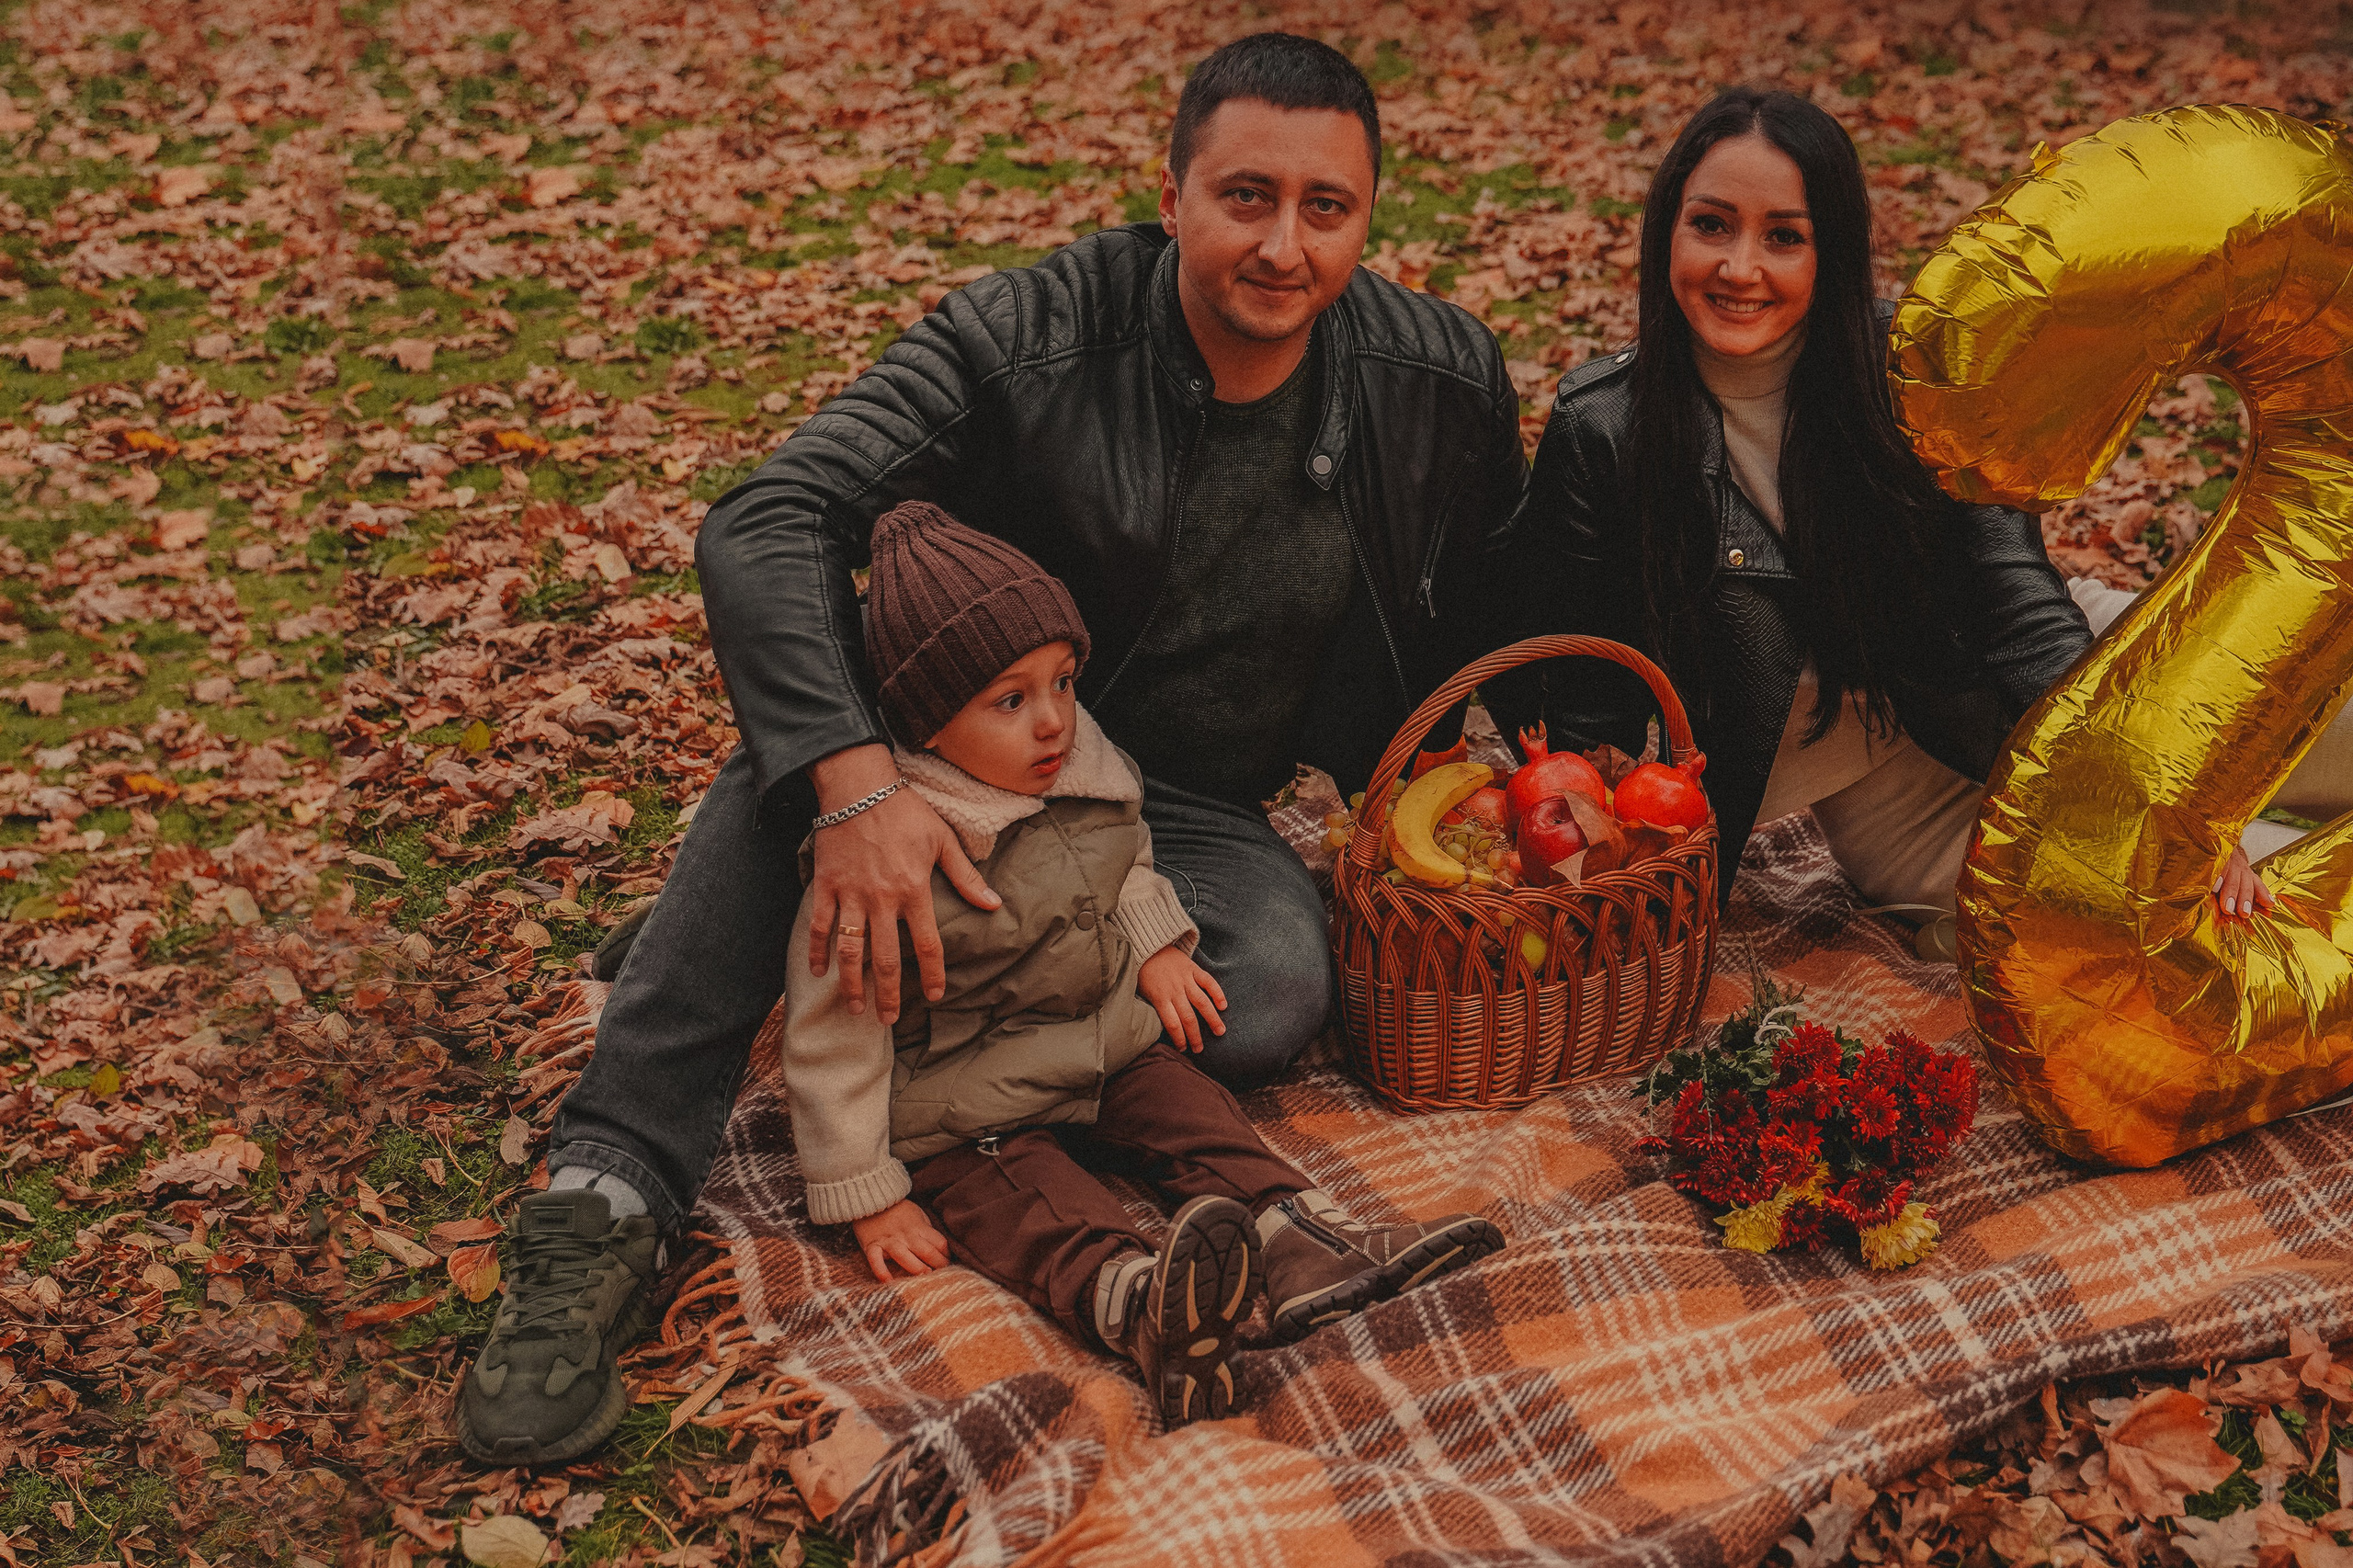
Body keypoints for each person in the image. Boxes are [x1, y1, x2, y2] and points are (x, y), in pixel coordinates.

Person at [456, 32, 1525, 1465]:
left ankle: (844, 972)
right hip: (960, 763)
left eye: (1325, 208)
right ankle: (607, 1191)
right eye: (1244, 196)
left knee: (1263, 996)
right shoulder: (1028, 341)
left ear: (1370, 216)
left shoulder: (1436, 378)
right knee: (804, 786)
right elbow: (765, 520)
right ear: (1171, 192)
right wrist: (853, 780)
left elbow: (1500, 615)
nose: (1283, 245)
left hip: (1170, 809)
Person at [769, 503, 1497, 1432]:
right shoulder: (888, 852)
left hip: (1099, 1038)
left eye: (1063, 682)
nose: (1052, 721)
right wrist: (865, 1195)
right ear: (926, 724)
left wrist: (1154, 942)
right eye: (1010, 699)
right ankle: (1141, 1303)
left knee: (1188, 1101)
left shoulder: (1079, 761)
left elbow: (1125, 852)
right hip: (965, 1101)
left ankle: (1297, 1232)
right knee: (1031, 1203)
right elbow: (834, 1028)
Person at [1495, 86, 2107, 954]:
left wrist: (2139, 787)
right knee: (2172, 910)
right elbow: (1591, 704)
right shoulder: (1605, 430)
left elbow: (2016, 602)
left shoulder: (1919, 372)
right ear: (1667, 230)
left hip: (2045, 684)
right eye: (1712, 225)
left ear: (1834, 253)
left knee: (2302, 735)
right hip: (1885, 794)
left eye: (1784, 236)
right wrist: (1593, 886)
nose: (1741, 269)